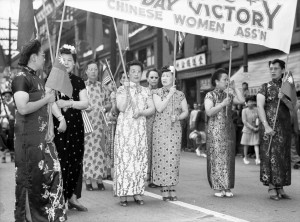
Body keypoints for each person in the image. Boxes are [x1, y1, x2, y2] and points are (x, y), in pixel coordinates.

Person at [12, 39, 66, 221]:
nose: (45, 58)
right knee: (31, 181)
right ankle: (30, 218)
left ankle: (48, 217)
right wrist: (46, 99)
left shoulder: (38, 79)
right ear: (33, 57)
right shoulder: (21, 78)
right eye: (43, 55)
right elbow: (23, 108)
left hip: (43, 139)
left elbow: (46, 108)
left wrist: (50, 127)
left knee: (52, 174)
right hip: (28, 141)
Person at [113, 60, 155, 207]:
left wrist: (142, 112)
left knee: (138, 159)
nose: (136, 74)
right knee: (125, 160)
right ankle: (123, 194)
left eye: (138, 71)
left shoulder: (145, 91)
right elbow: (121, 107)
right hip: (125, 130)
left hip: (139, 130)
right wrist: (127, 96)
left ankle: (137, 192)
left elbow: (152, 109)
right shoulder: (121, 90)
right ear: (128, 73)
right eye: (133, 71)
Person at [54, 44, 89, 211]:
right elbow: (50, 102)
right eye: (63, 60)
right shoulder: (53, 78)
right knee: (60, 160)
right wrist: (60, 117)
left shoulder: (78, 81)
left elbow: (85, 103)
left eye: (70, 60)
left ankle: (73, 198)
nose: (66, 62)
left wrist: (69, 103)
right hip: (59, 125)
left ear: (74, 63)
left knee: (75, 160)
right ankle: (60, 199)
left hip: (75, 124)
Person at [204, 68, 245, 198]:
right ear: (216, 81)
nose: (227, 81)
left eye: (228, 79)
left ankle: (227, 186)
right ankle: (218, 186)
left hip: (228, 129)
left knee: (228, 158)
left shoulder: (229, 95)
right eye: (224, 79)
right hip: (215, 130)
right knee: (217, 157)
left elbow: (242, 100)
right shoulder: (210, 95)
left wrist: (235, 87)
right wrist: (222, 104)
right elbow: (209, 112)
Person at [257, 59, 293, 201]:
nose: (273, 70)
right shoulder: (264, 87)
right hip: (269, 127)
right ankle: (272, 186)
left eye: (276, 68)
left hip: (284, 128)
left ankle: (281, 186)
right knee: (270, 155)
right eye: (271, 68)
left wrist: (284, 99)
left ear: (283, 70)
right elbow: (260, 106)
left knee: (283, 156)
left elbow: (293, 108)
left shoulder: (287, 87)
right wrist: (266, 125)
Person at [152, 65, 188, 201]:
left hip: (174, 129)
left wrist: (178, 117)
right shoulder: (156, 92)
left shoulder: (180, 94)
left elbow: (185, 111)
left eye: (168, 76)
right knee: (162, 158)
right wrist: (170, 94)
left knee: (173, 159)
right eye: (163, 76)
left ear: (174, 78)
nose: (164, 78)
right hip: (160, 130)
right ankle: (164, 188)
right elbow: (159, 108)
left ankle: (172, 186)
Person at [83, 61, 111, 191]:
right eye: (91, 69)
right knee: (88, 152)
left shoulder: (102, 87)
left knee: (100, 151)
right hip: (87, 124)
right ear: (86, 72)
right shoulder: (82, 87)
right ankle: (88, 180)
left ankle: (99, 180)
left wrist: (105, 108)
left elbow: (109, 103)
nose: (93, 71)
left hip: (100, 124)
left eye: (95, 69)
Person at [145, 68, 160, 188]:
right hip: (147, 123)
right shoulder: (144, 92)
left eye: (156, 77)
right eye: (152, 77)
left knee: (159, 150)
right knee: (148, 149)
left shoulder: (162, 92)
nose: (154, 80)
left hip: (161, 124)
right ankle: (148, 176)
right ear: (147, 79)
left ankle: (158, 177)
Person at [102, 73, 116, 181]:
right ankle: (105, 171)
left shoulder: (115, 94)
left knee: (111, 148)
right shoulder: (102, 95)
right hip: (104, 124)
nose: (112, 85)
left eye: (113, 83)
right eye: (110, 83)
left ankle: (109, 172)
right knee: (105, 147)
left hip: (113, 124)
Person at [241, 95, 260, 165]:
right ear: (247, 103)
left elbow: (259, 118)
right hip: (247, 130)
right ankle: (245, 157)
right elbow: (244, 121)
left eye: (252, 101)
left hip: (256, 129)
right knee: (246, 144)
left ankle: (257, 158)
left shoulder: (257, 109)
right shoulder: (244, 110)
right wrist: (252, 128)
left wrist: (258, 127)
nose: (251, 103)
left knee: (256, 143)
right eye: (249, 101)